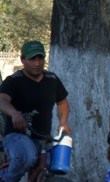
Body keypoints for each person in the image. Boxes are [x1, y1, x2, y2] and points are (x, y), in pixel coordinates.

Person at [0, 40, 71, 182]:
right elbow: (2, 100)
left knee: (53, 167)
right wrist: (14, 113)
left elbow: (62, 102)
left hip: (44, 137)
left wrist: (63, 122)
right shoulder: (14, 80)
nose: (37, 63)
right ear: (23, 60)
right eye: (32, 59)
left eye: (40, 58)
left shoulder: (52, 79)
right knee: (26, 157)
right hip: (16, 135)